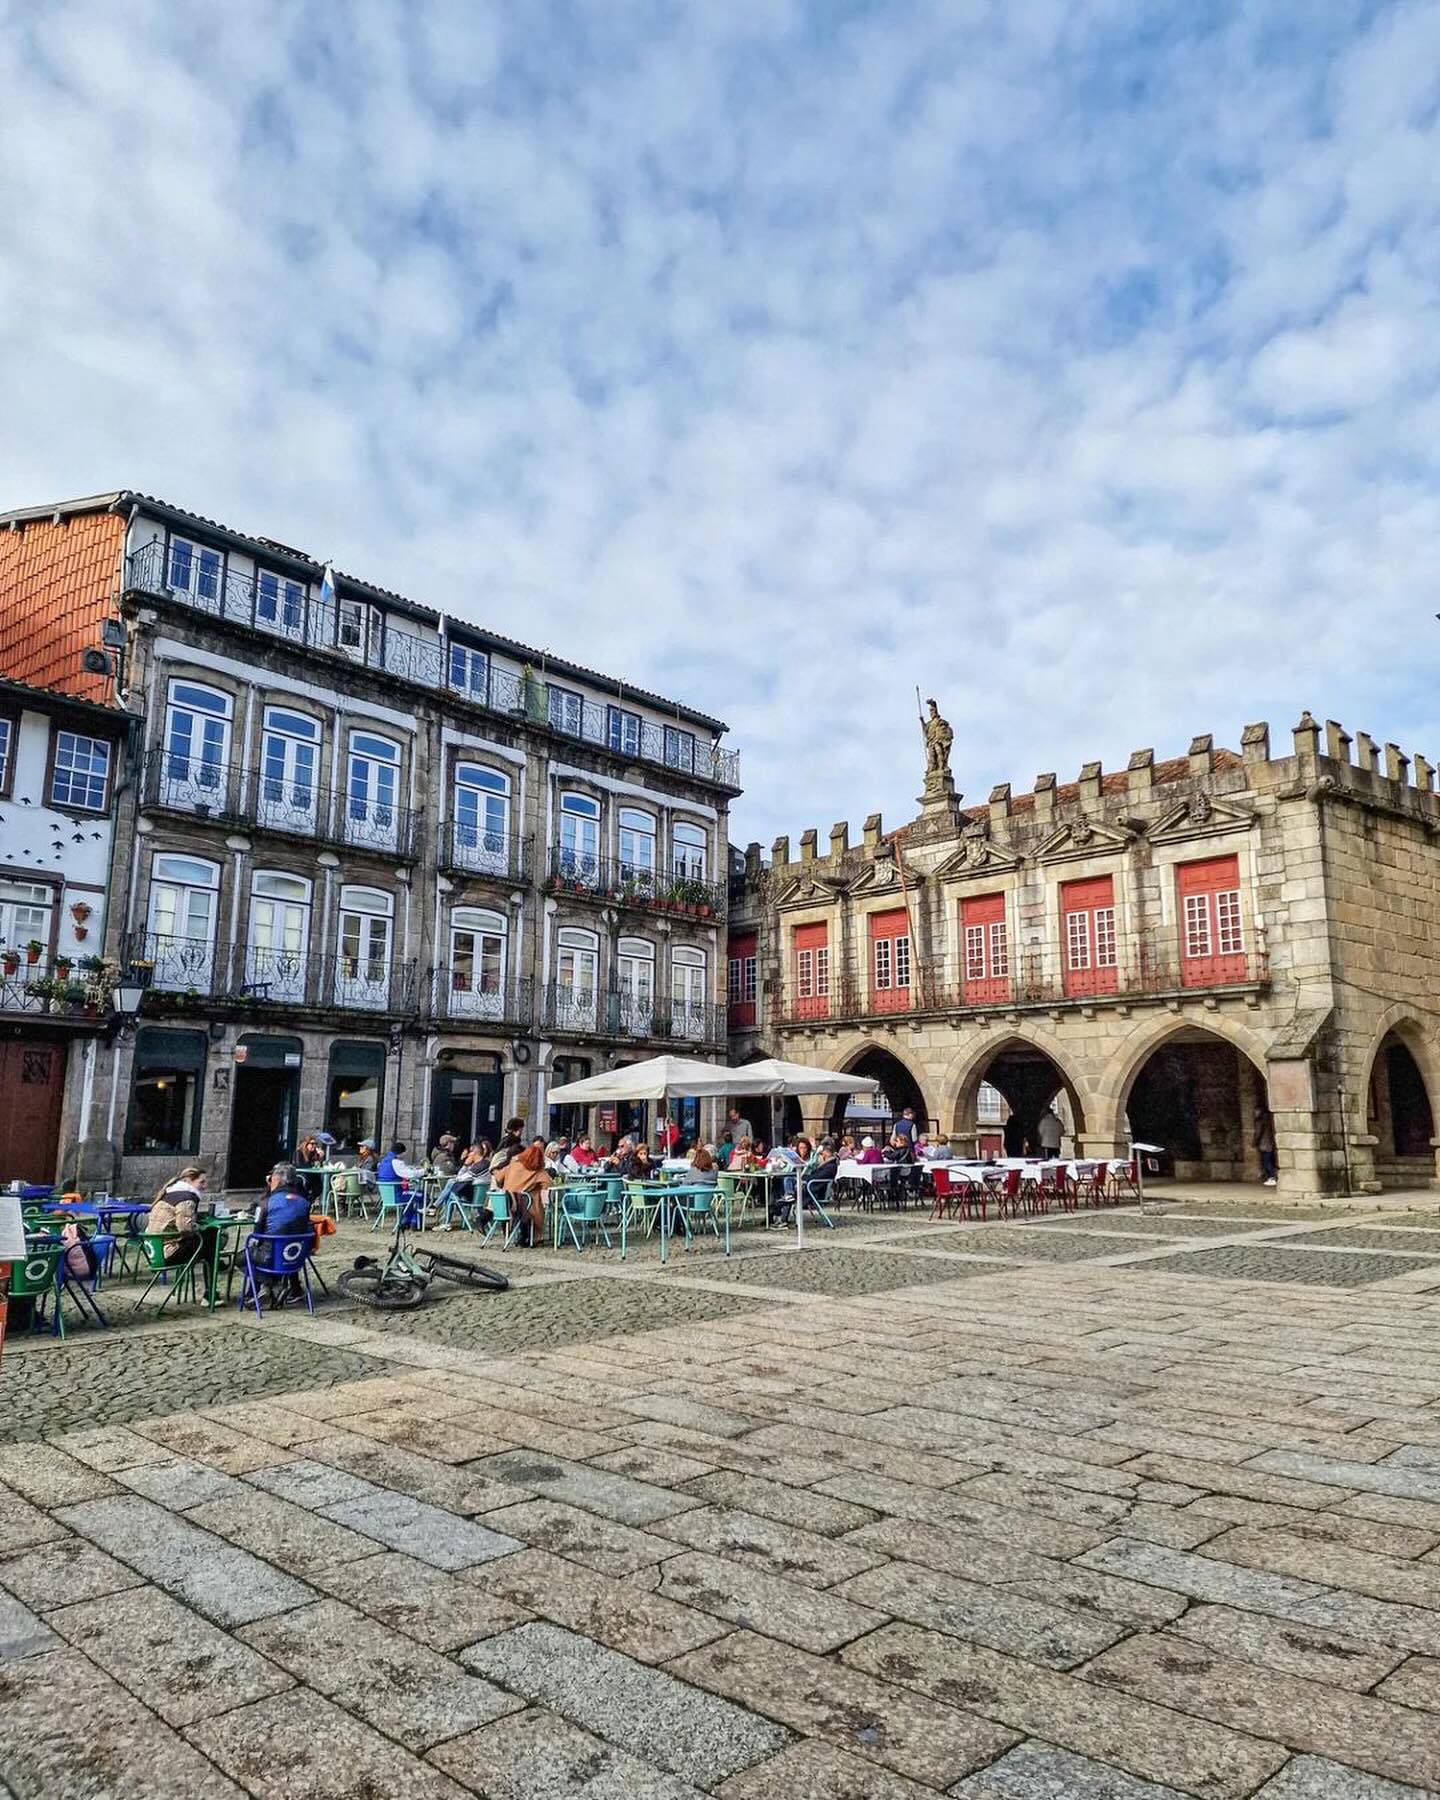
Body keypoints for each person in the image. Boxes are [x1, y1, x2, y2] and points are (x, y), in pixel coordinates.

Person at [250, 1163, 313, 1305]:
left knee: (245, 1256)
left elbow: (257, 1233)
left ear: (277, 1180)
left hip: (271, 1256)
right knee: (278, 1244)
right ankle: (277, 1287)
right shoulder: (305, 1202)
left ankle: (265, 1287)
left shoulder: (267, 1203)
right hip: (295, 1257)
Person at [144, 1166, 211, 1270]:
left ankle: (215, 1266)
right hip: (168, 1253)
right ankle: (214, 1270)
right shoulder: (186, 1199)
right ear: (188, 1180)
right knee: (211, 1235)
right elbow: (185, 1228)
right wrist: (200, 1227)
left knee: (206, 1240)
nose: (205, 1186)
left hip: (154, 1253)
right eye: (201, 1182)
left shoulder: (168, 1194)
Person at [501, 1139, 552, 1245]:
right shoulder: (537, 1170)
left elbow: (499, 1177)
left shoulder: (513, 1164)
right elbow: (548, 1183)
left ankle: (521, 1233)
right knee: (535, 1196)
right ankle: (535, 1236)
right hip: (525, 1206)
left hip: (506, 1203)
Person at [1254, 1109, 1278, 1185]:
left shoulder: (1259, 1122)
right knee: (1269, 1161)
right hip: (1270, 1144)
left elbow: (1258, 1133)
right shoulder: (1269, 1121)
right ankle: (1270, 1177)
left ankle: (1271, 1177)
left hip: (1264, 1144)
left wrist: (1254, 1142)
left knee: (1266, 1162)